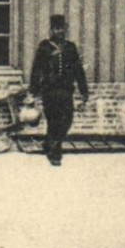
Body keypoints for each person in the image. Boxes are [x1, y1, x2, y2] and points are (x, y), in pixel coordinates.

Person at [28, 14, 88, 167]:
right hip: (50, 91)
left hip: (66, 91)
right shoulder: (44, 47)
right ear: (50, 30)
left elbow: (78, 71)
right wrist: (33, 92)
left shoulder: (70, 47)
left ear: (65, 30)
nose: (58, 31)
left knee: (67, 120)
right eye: (55, 29)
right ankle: (56, 153)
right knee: (54, 120)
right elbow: (37, 69)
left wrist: (84, 92)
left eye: (61, 28)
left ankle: (49, 142)